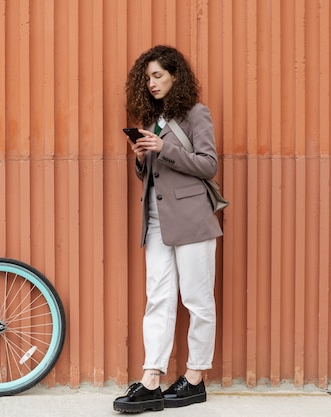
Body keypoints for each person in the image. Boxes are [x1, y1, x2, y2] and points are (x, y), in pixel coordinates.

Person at [113, 45, 223, 413]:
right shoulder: (153, 117)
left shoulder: (196, 114)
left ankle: (194, 378)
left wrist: (165, 147)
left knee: (196, 299)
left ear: (176, 76)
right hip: (157, 221)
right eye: (147, 78)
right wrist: (142, 160)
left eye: (158, 75)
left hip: (192, 221)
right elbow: (153, 176)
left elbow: (209, 165)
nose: (152, 83)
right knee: (158, 298)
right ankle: (151, 379)